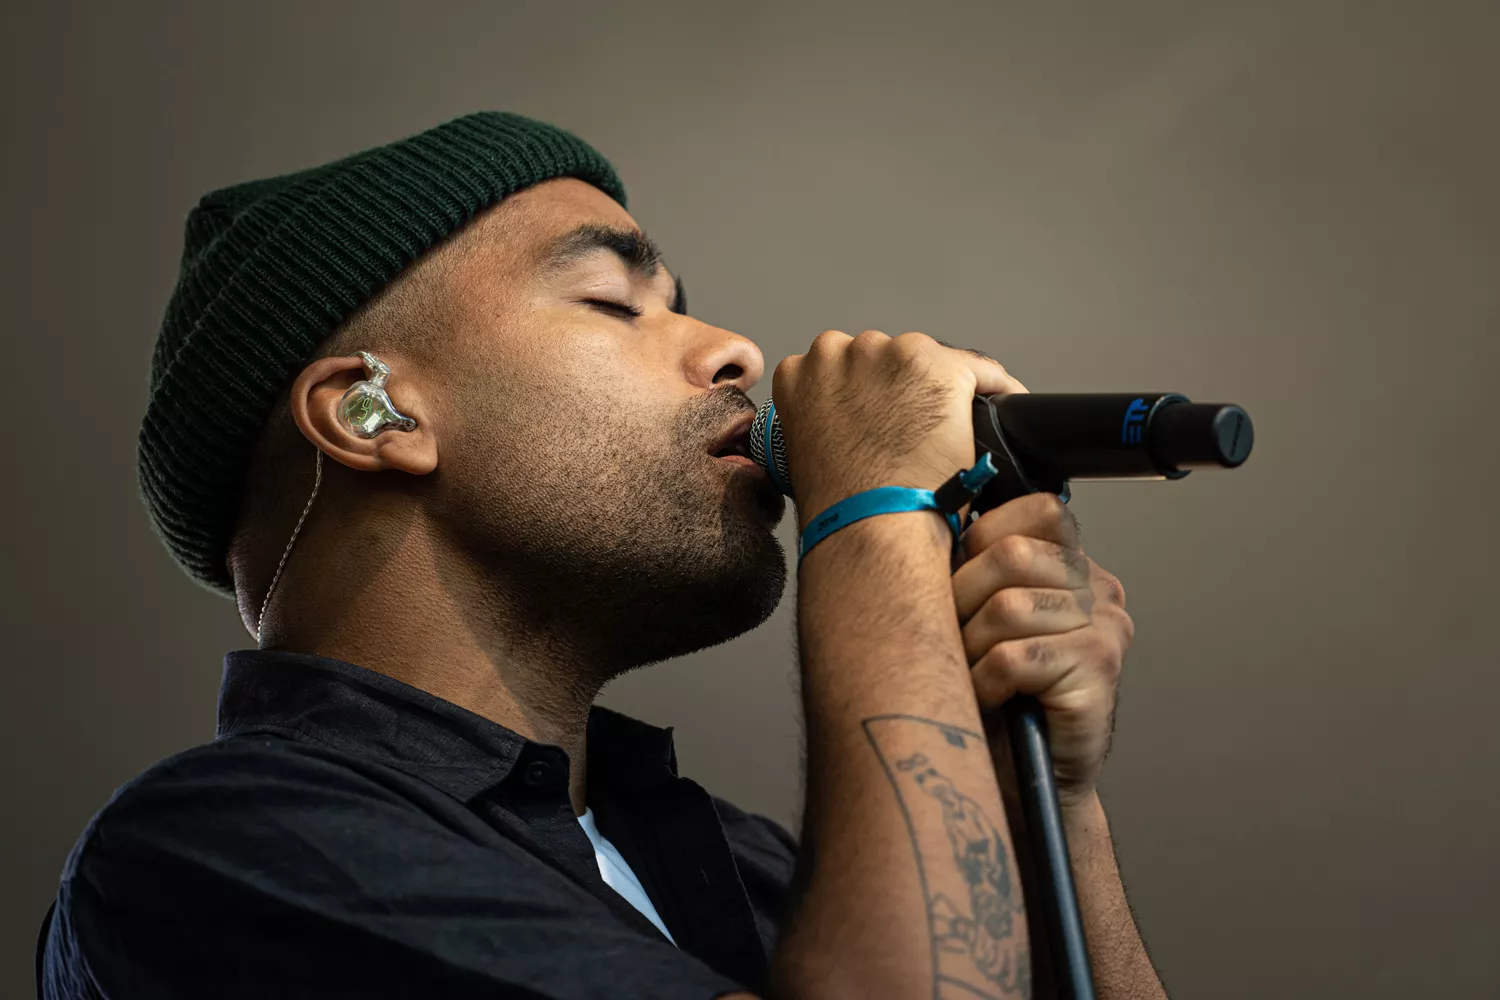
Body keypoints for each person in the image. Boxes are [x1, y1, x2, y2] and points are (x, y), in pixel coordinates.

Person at [37, 111, 1167, 999]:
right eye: (612, 302)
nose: (735, 350)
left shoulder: (753, 869)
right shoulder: (223, 848)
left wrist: (1041, 801)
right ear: (375, 413)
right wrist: (874, 512)